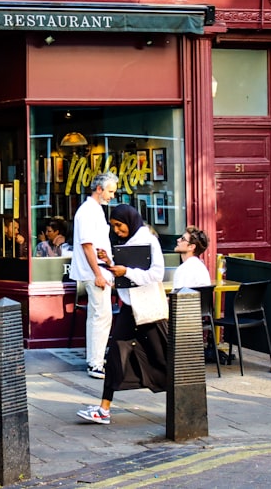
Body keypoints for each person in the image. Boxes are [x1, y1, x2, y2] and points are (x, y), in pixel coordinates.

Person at [78, 204, 167, 424]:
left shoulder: (149, 240)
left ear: (130, 220)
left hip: (148, 311)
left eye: (119, 225)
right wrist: (110, 264)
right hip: (129, 309)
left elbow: (157, 273)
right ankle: (103, 409)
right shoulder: (128, 243)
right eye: (114, 226)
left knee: (162, 358)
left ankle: (183, 397)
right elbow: (126, 276)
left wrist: (125, 271)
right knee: (115, 355)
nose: (116, 230)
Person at [69, 171, 119, 379]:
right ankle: (96, 363)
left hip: (96, 268)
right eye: (110, 191)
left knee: (96, 317)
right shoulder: (89, 211)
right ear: (99, 189)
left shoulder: (93, 210)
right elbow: (87, 245)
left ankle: (94, 359)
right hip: (95, 271)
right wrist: (98, 273)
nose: (112, 196)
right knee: (102, 316)